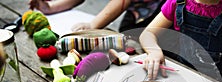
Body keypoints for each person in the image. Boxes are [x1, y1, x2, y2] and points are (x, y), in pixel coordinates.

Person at [28, 0, 165, 32]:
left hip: (161, 11)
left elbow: (121, 2)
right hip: (137, 9)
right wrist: (51, 8)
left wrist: (93, 25)